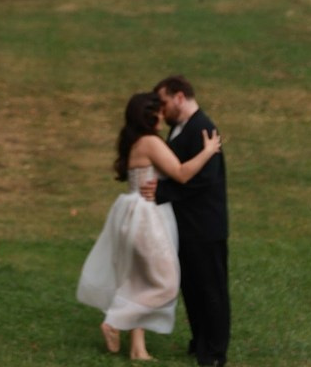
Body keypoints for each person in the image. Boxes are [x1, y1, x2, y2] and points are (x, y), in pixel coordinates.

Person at [78, 91, 222, 361]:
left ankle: (138, 349)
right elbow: (181, 174)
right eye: (158, 111)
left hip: (132, 213)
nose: (163, 115)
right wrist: (207, 152)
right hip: (146, 217)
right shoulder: (150, 142)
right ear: (149, 116)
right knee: (166, 284)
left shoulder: (134, 141)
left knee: (140, 279)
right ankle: (114, 321)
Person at [148, 75, 229, 367]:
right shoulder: (180, 129)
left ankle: (215, 353)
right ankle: (200, 341)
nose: (162, 108)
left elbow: (204, 180)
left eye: (164, 102)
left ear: (180, 97)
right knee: (193, 288)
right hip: (186, 225)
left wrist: (162, 192)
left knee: (211, 289)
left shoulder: (203, 128)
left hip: (206, 226)